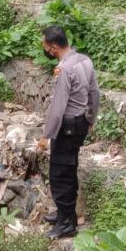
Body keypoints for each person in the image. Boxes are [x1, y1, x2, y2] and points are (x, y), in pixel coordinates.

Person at [36, 26, 100, 239]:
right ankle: (66, 214)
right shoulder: (84, 60)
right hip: (81, 122)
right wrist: (91, 117)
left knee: (60, 174)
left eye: (45, 46)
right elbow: (94, 92)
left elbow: (58, 107)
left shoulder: (65, 70)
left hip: (67, 127)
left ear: (53, 48)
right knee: (69, 168)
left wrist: (47, 136)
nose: (45, 49)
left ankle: (66, 225)